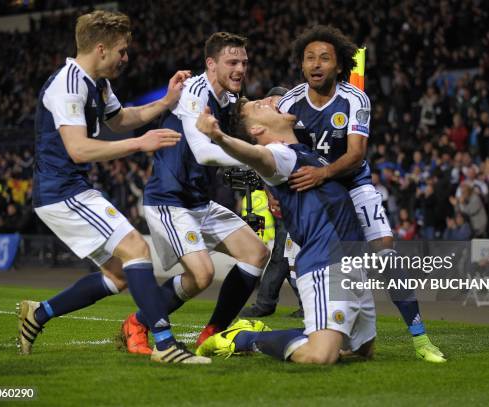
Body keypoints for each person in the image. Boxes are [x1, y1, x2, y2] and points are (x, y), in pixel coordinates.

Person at [18, 10, 209, 364]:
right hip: (63, 192)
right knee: (137, 248)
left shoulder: (95, 83)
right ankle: (166, 345)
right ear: (101, 49)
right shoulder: (69, 85)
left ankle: (38, 314)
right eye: (121, 51)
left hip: (72, 188)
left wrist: (166, 102)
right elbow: (78, 148)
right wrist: (141, 144)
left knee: (119, 275)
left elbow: (121, 119)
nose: (125, 58)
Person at [276, 25, 444, 362]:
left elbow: (355, 154)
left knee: (384, 254)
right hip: (311, 193)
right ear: (302, 64)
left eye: (324, 58)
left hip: (351, 185)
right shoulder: (289, 103)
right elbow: (273, 149)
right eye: (310, 58)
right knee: (296, 264)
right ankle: (321, 333)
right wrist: (274, 193)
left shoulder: (355, 98)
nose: (316, 64)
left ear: (339, 66)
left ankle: (420, 338)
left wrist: (323, 172)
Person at [119, 32, 270, 355]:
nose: (241, 69)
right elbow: (202, 152)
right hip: (169, 200)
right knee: (202, 275)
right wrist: (259, 162)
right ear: (211, 64)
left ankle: (212, 334)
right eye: (232, 62)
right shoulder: (194, 92)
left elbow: (254, 125)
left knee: (256, 253)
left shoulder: (229, 100)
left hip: (199, 201)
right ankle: (139, 322)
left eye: (244, 62)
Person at [194, 97, 375, 364]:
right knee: (320, 356)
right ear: (256, 130)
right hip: (325, 263)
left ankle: (308, 333)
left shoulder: (301, 151)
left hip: (352, 259)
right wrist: (219, 136)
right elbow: (258, 156)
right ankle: (242, 337)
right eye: (259, 106)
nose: (269, 100)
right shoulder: (278, 153)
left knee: (361, 352)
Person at [240, 86, 302, 318]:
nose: (271, 105)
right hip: (290, 205)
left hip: (299, 207)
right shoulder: (278, 144)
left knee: (287, 255)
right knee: (285, 254)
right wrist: (270, 192)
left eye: (273, 101)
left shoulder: (293, 133)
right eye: (269, 102)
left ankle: (267, 304)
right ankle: (269, 303)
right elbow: (267, 162)